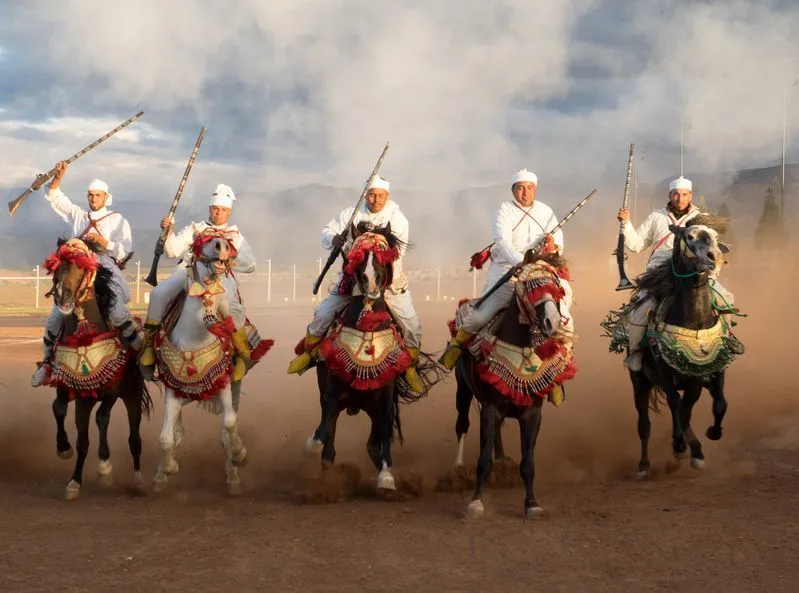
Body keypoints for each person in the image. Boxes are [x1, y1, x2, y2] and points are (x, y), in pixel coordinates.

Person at [286, 176, 426, 393]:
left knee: (412, 325)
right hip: (352, 280)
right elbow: (327, 231)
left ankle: (410, 367)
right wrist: (334, 240)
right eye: (371, 195)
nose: (375, 199)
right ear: (365, 195)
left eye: (380, 195)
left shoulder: (397, 218)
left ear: (387, 196)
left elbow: (397, 252)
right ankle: (309, 353)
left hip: (388, 282)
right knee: (323, 314)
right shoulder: (350, 213)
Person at [439, 169, 573, 370]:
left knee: (564, 319)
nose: (525, 193)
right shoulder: (504, 210)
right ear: (513, 191)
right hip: (508, 271)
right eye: (520, 188)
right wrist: (523, 261)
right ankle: (457, 346)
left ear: (535, 190)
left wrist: (552, 247)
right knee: (480, 317)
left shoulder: (547, 213)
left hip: (540, 274)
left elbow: (558, 248)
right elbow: (502, 244)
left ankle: (561, 365)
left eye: (529, 188)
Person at [31, 160, 139, 387]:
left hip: (105, 265)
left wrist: (104, 242)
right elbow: (56, 198)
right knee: (54, 317)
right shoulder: (79, 215)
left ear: (106, 197)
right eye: (90, 195)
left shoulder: (117, 220)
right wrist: (58, 177)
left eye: (97, 195)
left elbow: (125, 249)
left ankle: (140, 356)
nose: (93, 199)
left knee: (118, 312)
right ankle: (48, 362)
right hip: (76, 268)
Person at [617, 175, 741, 371]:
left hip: (693, 271)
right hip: (659, 273)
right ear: (670, 194)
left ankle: (728, 337)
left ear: (690, 195)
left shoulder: (702, 220)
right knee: (642, 308)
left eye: (684, 194)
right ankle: (635, 353)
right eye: (676, 194)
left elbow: (712, 248)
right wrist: (626, 223)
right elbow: (636, 244)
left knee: (725, 297)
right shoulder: (656, 216)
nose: (680, 198)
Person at [138, 184, 257, 382]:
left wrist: (228, 259)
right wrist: (169, 232)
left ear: (229, 212)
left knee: (231, 307)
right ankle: (149, 348)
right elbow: (173, 252)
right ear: (210, 209)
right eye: (215, 209)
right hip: (189, 271)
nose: (219, 213)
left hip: (222, 276)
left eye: (223, 210)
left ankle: (240, 354)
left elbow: (251, 264)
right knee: (158, 293)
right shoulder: (196, 228)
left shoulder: (236, 236)